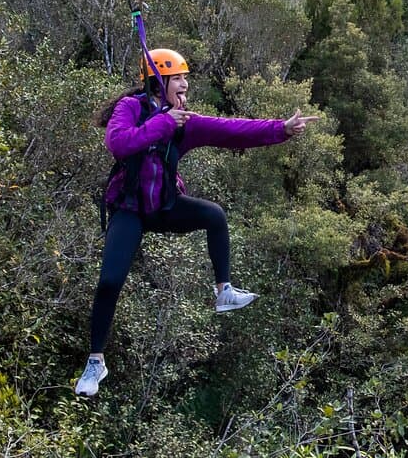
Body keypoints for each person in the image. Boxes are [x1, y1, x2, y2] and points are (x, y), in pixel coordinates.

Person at [75, 48, 319, 397]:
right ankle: (96, 362)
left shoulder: (184, 122)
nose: (185, 85)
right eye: (178, 79)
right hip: (129, 210)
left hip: (163, 206)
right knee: (109, 281)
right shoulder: (132, 108)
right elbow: (118, 143)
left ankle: (224, 292)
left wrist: (281, 129)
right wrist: (163, 122)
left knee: (214, 215)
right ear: (158, 82)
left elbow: (231, 131)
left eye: (185, 78)